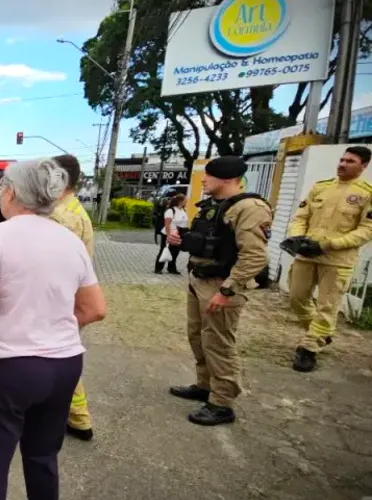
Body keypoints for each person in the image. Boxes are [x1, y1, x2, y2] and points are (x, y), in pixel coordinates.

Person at [0, 158, 107, 500]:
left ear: (12, 192)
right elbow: (95, 309)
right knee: (43, 457)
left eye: (3, 189)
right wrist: (50, 325)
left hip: (10, 367)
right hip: (65, 365)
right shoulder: (70, 240)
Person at [167, 156, 272, 426]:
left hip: (222, 285)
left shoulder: (250, 208)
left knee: (219, 342)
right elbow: (211, 242)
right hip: (200, 280)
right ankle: (205, 385)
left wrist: (227, 290)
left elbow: (255, 257)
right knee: (198, 336)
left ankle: (222, 402)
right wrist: (182, 239)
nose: (203, 180)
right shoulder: (213, 206)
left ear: (227, 179)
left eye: (209, 176)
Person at [286, 146, 372, 372]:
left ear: (364, 166)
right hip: (307, 254)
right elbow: (301, 216)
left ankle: (309, 348)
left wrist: (330, 244)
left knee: (328, 305)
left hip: (337, 259)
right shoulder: (321, 187)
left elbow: (366, 230)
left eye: (350, 161)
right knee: (297, 297)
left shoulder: (367, 193)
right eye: (342, 160)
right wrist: (298, 237)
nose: (342, 164)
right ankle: (321, 333)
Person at [48, 154, 96, 442]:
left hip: (62, 299)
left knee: (59, 356)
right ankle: (76, 416)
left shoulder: (62, 216)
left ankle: (78, 419)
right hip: (71, 294)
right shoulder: (73, 208)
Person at [155, 193, 188, 275]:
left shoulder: (183, 210)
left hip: (179, 233)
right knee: (164, 249)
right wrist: (168, 235)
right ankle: (158, 268)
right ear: (180, 201)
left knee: (175, 251)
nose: (186, 201)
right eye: (185, 200)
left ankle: (172, 268)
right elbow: (167, 224)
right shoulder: (171, 211)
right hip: (169, 233)